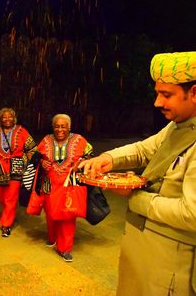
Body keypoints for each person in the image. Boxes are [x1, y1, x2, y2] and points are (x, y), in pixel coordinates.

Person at [79, 52, 196, 295]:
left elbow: (191, 214)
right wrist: (107, 159)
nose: (157, 103)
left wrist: (134, 196)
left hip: (169, 262)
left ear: (194, 93)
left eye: (167, 95)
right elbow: (146, 149)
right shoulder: (180, 125)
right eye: (158, 93)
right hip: (143, 251)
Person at [37, 114, 93, 262]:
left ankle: (65, 248)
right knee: (50, 212)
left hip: (70, 185)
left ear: (69, 127)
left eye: (63, 126)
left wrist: (80, 162)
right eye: (57, 126)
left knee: (68, 215)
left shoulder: (79, 140)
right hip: (50, 184)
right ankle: (52, 237)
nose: (60, 129)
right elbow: (35, 156)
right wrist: (42, 162)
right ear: (53, 127)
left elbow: (90, 155)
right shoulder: (46, 140)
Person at [0, 107, 36, 237]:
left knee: (11, 198)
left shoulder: (21, 131)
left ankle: (6, 225)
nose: (7, 119)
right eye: (4, 117)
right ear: (0, 119)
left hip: (16, 168)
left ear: (14, 118)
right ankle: (9, 212)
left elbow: (31, 149)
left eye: (10, 116)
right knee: (2, 198)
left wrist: (31, 166)